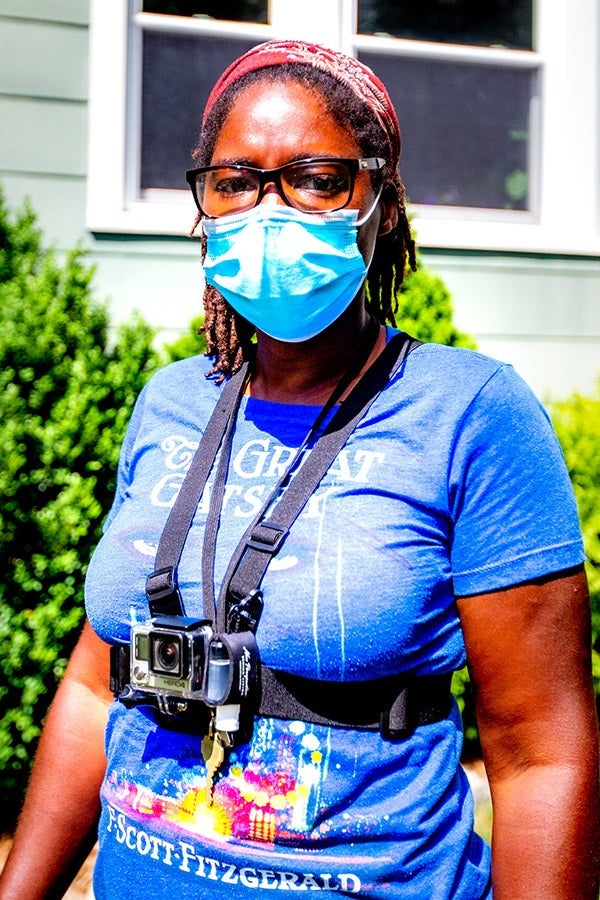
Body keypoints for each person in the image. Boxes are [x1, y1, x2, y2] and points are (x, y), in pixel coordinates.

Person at [0, 39, 598, 900]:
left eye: (317, 178)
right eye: (235, 182)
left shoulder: (471, 413)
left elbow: (540, 748)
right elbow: (97, 689)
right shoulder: (171, 403)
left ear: (382, 205)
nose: (267, 211)